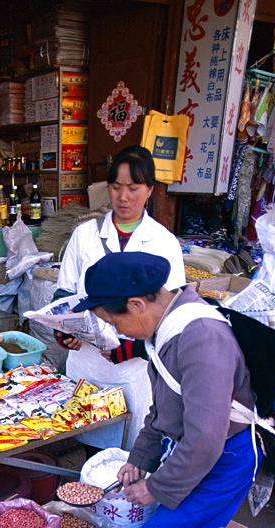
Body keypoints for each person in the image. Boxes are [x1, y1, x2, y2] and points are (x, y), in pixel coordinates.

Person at [72, 251, 259, 528]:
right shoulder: (162, 330)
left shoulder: (202, 339)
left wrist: (156, 487)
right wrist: (140, 458)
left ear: (137, 304)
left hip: (224, 458)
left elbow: (205, 438)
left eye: (114, 323)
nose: (117, 333)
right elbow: (164, 410)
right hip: (192, 449)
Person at [54, 145, 186, 392]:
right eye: (116, 187)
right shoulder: (85, 234)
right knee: (78, 425)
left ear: (149, 190)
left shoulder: (163, 241)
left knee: (132, 430)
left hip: (134, 372)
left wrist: (137, 347)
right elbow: (64, 291)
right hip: (86, 363)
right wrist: (64, 331)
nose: (123, 197)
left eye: (133, 188)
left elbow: (171, 311)